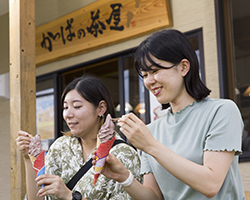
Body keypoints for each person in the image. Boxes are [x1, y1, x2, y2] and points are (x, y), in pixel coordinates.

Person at [92, 29, 246, 200]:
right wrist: (124, 177)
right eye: (144, 75)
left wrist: (150, 145)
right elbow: (154, 197)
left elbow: (211, 185)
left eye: (155, 71)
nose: (149, 81)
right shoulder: (151, 130)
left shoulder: (221, 111)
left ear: (183, 67)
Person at [16, 75, 142, 200]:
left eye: (77, 106)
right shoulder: (60, 146)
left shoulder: (124, 154)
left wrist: (70, 196)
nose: (68, 114)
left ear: (101, 108)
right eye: (65, 107)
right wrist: (29, 158)